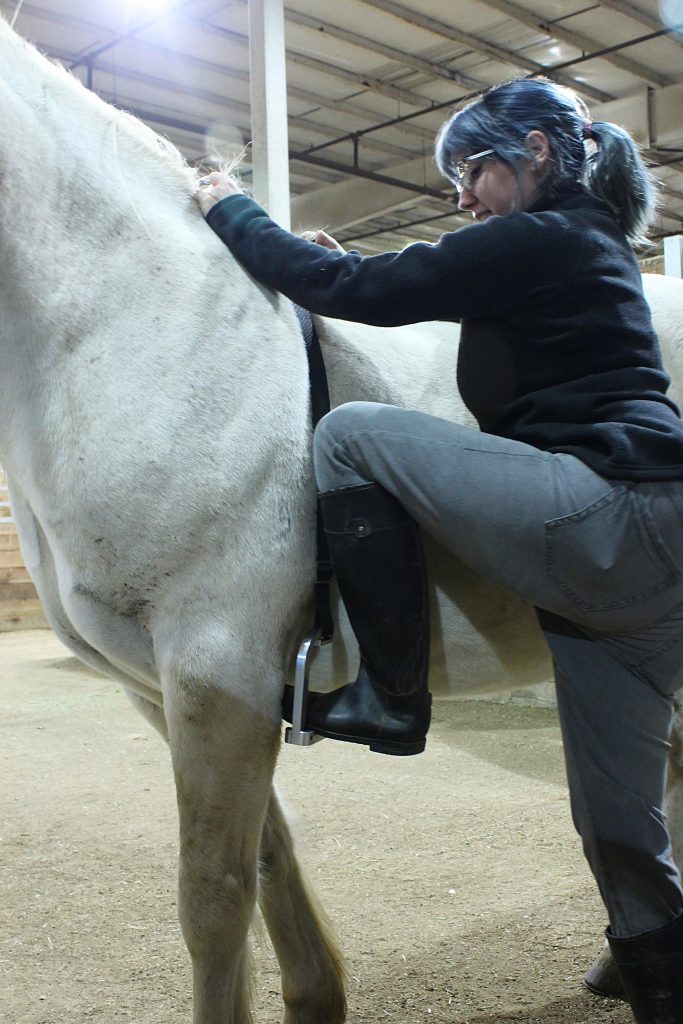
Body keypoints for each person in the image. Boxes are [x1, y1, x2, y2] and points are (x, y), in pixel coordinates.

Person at [196, 77, 683, 1022]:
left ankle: (389, 694)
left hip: (604, 518)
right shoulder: (583, 244)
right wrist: (331, 263)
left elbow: (358, 292)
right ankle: (657, 971)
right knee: (619, 824)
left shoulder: (539, 236)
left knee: (350, 434)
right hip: (655, 555)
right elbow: (398, 283)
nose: (461, 195)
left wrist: (233, 207)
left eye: (471, 169)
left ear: (536, 151)